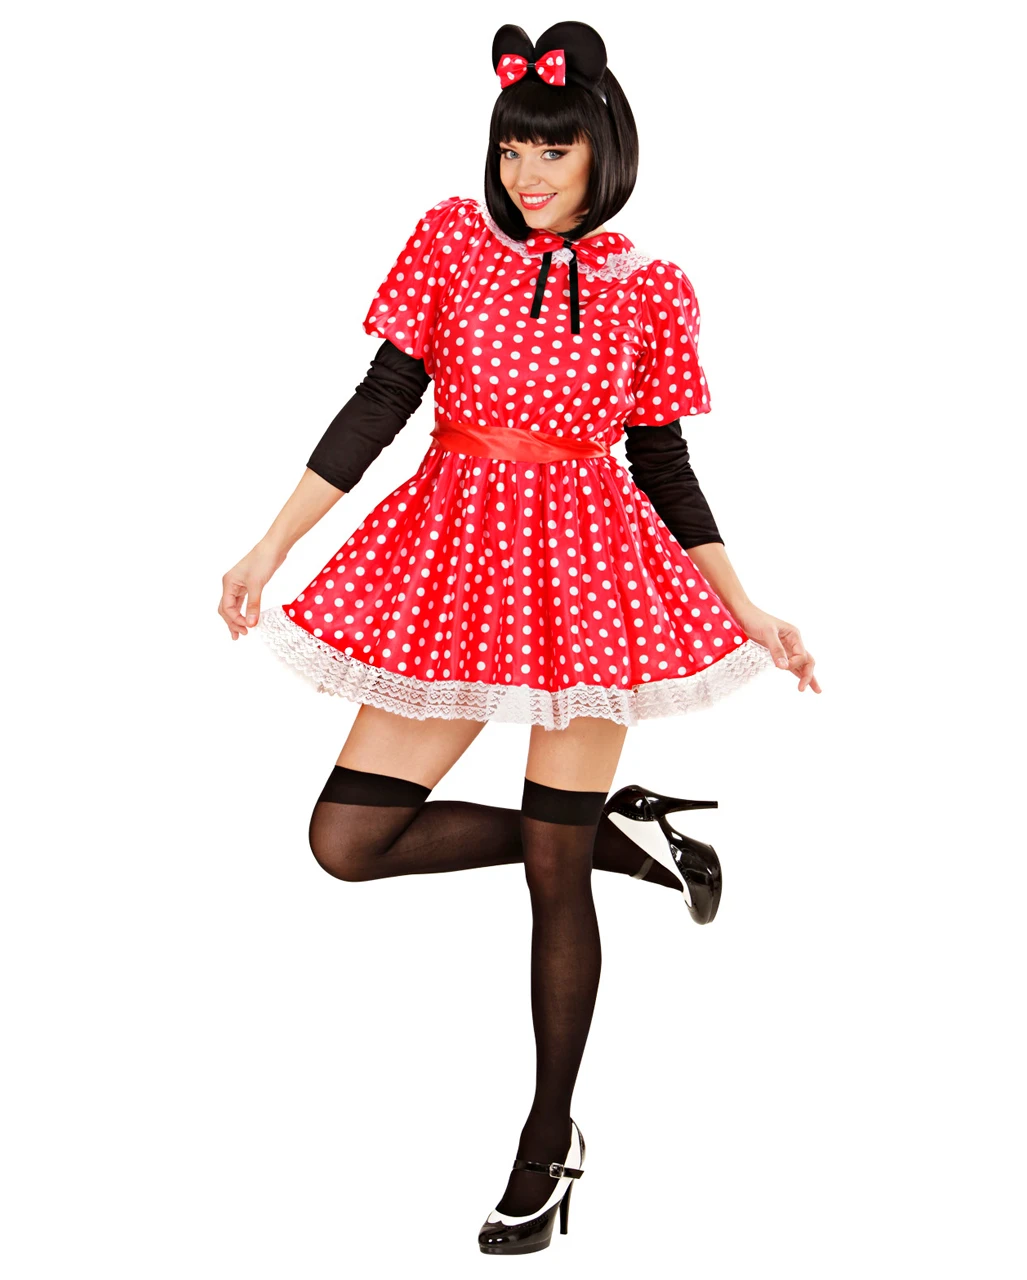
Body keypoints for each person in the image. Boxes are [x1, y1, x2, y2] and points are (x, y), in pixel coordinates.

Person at [218, 20, 820, 1255]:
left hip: (589, 577)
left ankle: (548, 1140)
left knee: (552, 870)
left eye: (553, 151)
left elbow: (662, 462)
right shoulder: (450, 239)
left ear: (603, 154)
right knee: (346, 838)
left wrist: (747, 604)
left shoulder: (650, 287)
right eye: (512, 150)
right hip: (449, 559)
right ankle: (624, 837)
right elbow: (380, 401)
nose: (527, 174)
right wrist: (268, 545)